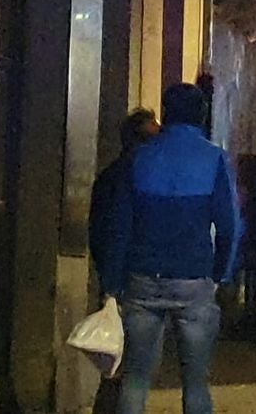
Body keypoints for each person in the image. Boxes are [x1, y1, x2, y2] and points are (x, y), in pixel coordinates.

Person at [99, 83, 241, 414]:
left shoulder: (141, 157)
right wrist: (222, 273)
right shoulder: (215, 158)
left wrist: (111, 285)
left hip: (143, 278)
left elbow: (120, 227)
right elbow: (229, 224)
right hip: (194, 277)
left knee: (135, 379)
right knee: (195, 382)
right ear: (202, 115)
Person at [90, 109, 159, 414]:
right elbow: (116, 232)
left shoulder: (110, 175)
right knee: (132, 370)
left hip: (117, 279)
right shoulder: (137, 178)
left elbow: (98, 233)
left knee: (115, 366)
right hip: (132, 281)